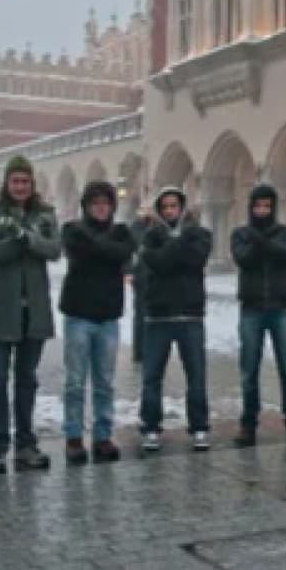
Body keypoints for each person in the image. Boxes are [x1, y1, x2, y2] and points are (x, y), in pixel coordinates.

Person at [0, 155, 61, 475]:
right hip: (0, 308)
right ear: (7, 183)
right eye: (15, 181)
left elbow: (54, 249)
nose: (21, 187)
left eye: (25, 181)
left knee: (26, 381)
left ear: (32, 183)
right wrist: (28, 240)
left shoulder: (45, 213)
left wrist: (25, 237)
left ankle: (25, 444)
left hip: (34, 311)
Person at [60, 180, 135, 465]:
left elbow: (123, 253)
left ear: (112, 207)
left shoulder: (121, 232)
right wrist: (107, 250)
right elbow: (77, 255)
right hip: (78, 316)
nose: (101, 208)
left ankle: (103, 436)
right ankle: (74, 436)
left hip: (108, 318)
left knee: (104, 382)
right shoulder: (71, 230)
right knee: (75, 381)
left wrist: (95, 246)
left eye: (105, 204)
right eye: (95, 204)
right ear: (87, 206)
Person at [139, 186, 213, 453]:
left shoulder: (201, 234)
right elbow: (157, 262)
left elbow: (196, 260)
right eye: (165, 207)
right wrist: (180, 242)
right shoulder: (150, 236)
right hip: (157, 315)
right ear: (159, 210)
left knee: (196, 375)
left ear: (182, 208)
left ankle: (200, 427)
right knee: (152, 377)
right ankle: (150, 428)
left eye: (174, 206)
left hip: (190, 314)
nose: (170, 211)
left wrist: (173, 247)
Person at [231, 184, 286, 447]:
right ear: (251, 207)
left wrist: (261, 242)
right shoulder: (240, 233)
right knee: (249, 370)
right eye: (258, 206)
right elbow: (244, 259)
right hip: (251, 309)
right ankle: (248, 424)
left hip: (280, 308)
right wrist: (265, 245)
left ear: (273, 207)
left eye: (267, 206)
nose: (262, 211)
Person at [128, 206, 151, 365]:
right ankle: (140, 351)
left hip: (158, 277)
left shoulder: (158, 226)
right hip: (142, 276)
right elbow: (130, 251)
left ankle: (152, 350)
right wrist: (128, 271)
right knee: (141, 315)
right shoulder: (136, 228)